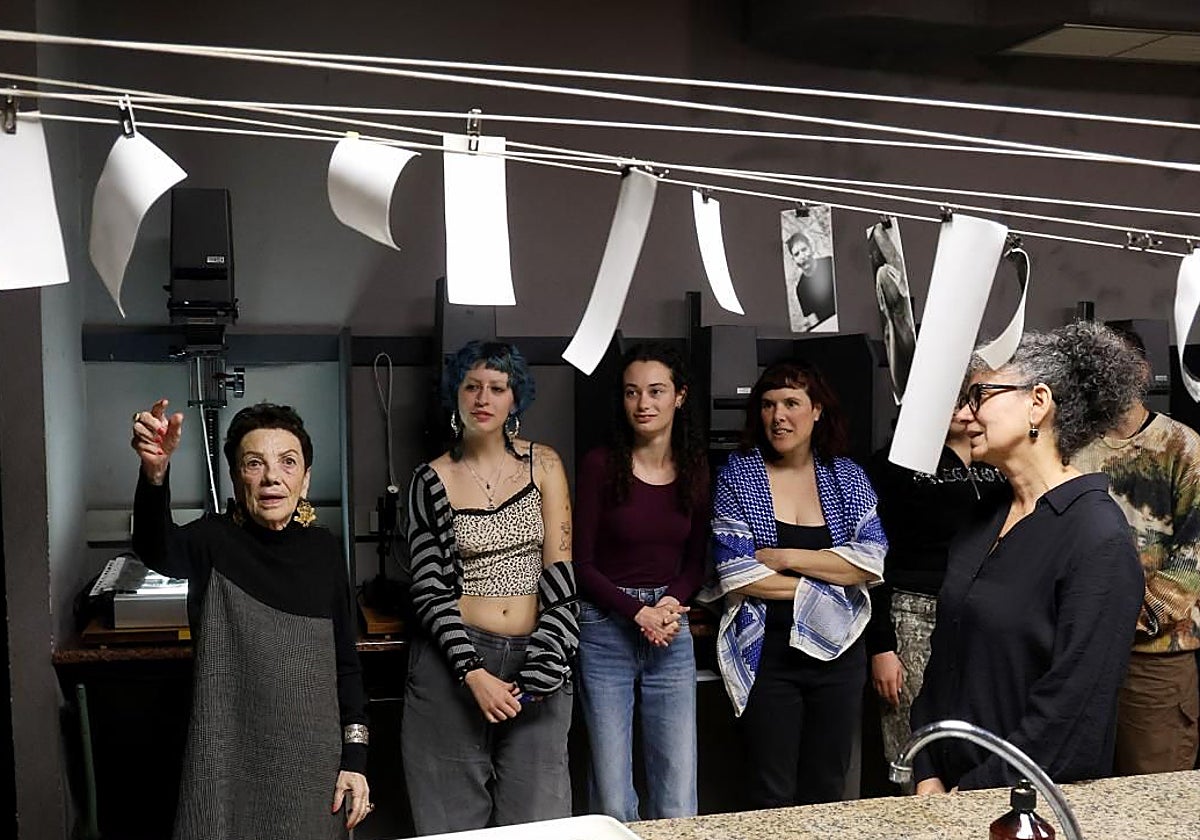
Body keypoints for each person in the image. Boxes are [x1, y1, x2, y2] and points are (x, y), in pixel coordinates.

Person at [911, 321, 1146, 793]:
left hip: (1026, 805)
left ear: (1038, 402)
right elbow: (944, 661)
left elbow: (1072, 714)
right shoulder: (983, 520)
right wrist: (926, 770)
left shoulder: (1097, 537)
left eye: (979, 397)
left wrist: (977, 793)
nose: (963, 415)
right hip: (944, 794)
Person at [130, 400, 371, 839]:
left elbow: (347, 665)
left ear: (306, 478)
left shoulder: (324, 551)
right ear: (237, 477)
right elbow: (155, 546)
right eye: (254, 463)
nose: (272, 477)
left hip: (313, 773)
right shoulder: (212, 540)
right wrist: (154, 474)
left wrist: (355, 761)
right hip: (225, 763)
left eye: (287, 462)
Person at [402, 340, 578, 834]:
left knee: (539, 822)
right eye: (472, 386)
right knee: (451, 825)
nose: (483, 398)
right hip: (454, 661)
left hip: (537, 656)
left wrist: (548, 663)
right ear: (455, 396)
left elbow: (561, 572)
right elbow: (429, 589)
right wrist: (472, 673)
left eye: (497, 388)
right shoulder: (430, 479)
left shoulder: (542, 464)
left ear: (514, 399)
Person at [701, 359, 886, 808]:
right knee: (771, 787)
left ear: (817, 410)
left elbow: (870, 562)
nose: (778, 416)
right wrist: (830, 572)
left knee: (828, 785)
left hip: (840, 654)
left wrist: (786, 558)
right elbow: (737, 574)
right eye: (767, 405)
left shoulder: (847, 476)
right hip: (769, 652)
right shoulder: (738, 475)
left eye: (791, 403)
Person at [573, 343, 710, 821]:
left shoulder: (695, 468)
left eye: (656, 391)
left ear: (680, 397)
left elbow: (696, 562)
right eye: (633, 393)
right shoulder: (599, 465)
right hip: (605, 629)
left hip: (670, 632)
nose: (644, 404)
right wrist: (639, 613)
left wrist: (669, 605)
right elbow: (581, 565)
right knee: (613, 798)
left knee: (677, 797)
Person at [1071, 332, 1200, 775]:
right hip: (1077, 658)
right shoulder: (1068, 446)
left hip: (1155, 661)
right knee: (1080, 795)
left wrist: (1114, 621)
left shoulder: (1183, 447)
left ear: (1141, 372)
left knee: (1154, 794)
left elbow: (1191, 564)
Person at [864, 417, 1007, 780]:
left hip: (979, 615)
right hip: (912, 612)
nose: (963, 411)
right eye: (954, 399)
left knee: (976, 750)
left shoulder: (998, 462)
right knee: (913, 752)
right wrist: (881, 646)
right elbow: (874, 556)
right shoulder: (897, 464)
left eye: (970, 398)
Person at [785, 229, 836, 332]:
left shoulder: (830, 264)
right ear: (793, 260)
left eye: (804, 249)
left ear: (811, 248)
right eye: (797, 254)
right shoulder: (800, 289)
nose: (802, 256)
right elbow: (814, 322)